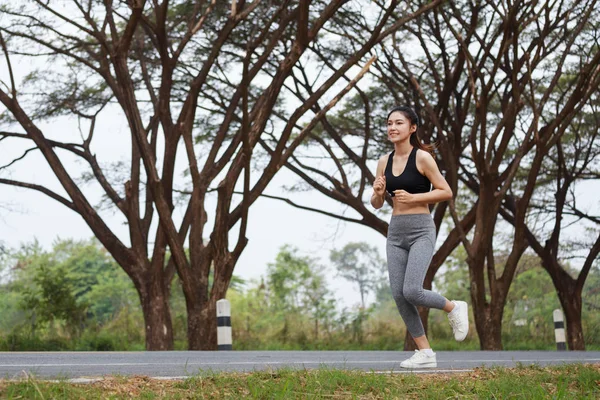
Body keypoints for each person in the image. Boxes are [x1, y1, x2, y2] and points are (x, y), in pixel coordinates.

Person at [371, 105, 469, 369]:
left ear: (412, 128)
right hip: (396, 232)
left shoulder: (422, 158)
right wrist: (379, 192)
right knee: (399, 294)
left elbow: (445, 191)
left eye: (399, 123)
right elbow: (377, 204)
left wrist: (415, 197)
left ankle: (453, 307)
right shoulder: (384, 161)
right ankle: (425, 353)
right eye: (389, 123)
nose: (392, 127)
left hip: (421, 229)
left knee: (412, 290)